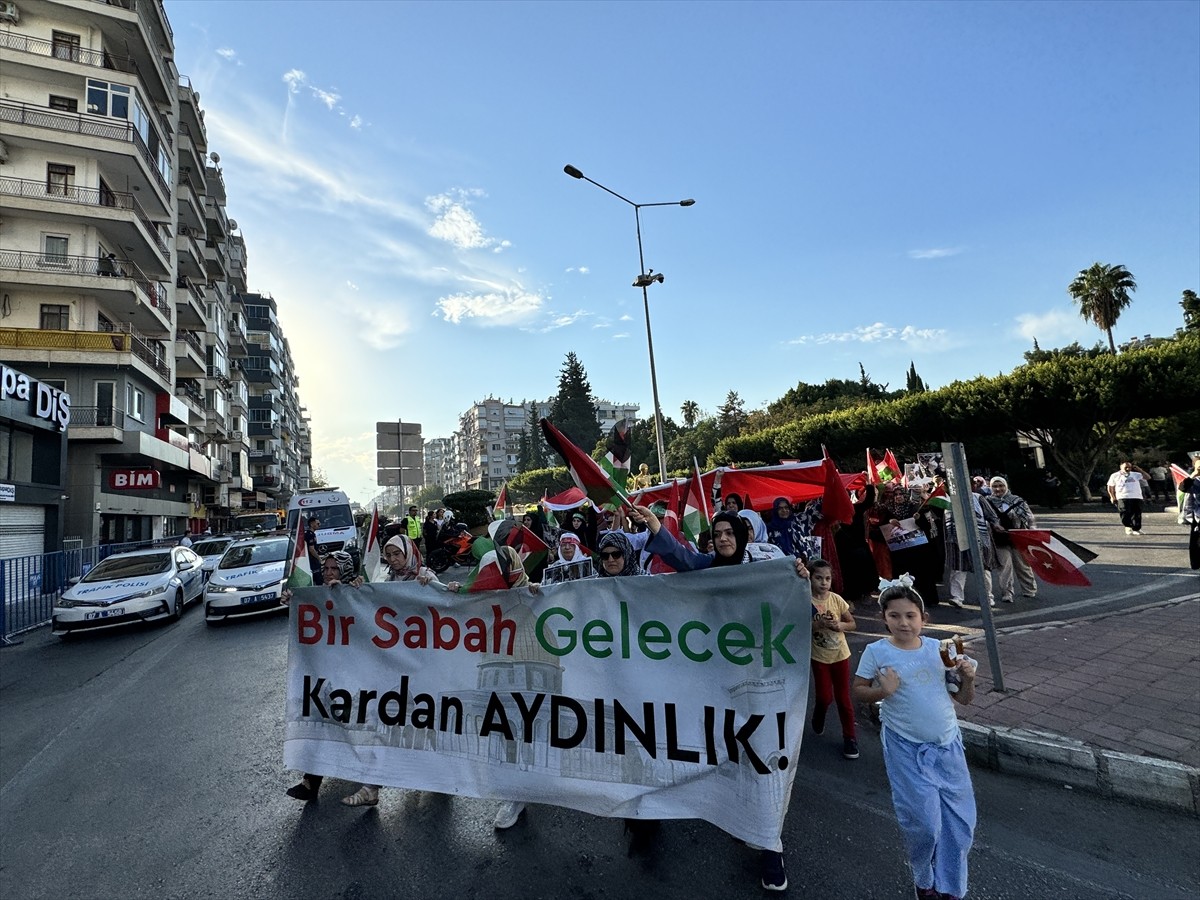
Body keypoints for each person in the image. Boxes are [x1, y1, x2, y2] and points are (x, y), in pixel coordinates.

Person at [631, 504, 809, 892]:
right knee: (728, 754)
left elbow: (793, 594)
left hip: (761, 684)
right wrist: (656, 525)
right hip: (717, 684)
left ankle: (770, 849)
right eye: (718, 533)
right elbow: (678, 555)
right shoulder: (706, 569)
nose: (724, 538)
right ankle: (740, 820)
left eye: (731, 532)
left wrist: (799, 576)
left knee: (763, 761)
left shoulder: (764, 569)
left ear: (742, 537)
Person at [852, 579, 978, 900]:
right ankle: (924, 878)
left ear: (924, 618)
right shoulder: (876, 651)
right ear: (884, 618)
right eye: (895, 616)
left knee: (960, 827)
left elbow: (963, 698)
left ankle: (949, 885)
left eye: (910, 615)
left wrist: (968, 678)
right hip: (905, 747)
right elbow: (859, 690)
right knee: (924, 825)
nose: (903, 623)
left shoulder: (940, 651)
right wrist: (883, 691)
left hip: (947, 745)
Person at [286, 551, 362, 802]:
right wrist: (294, 600)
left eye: (335, 569)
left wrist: (349, 592)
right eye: (326, 568)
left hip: (354, 675)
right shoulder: (316, 596)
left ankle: (368, 781)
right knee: (319, 723)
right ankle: (311, 781)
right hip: (325, 675)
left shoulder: (357, 591)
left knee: (355, 728)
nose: (329, 573)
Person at [807, 558, 859, 760]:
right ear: (810, 578)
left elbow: (852, 623)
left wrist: (840, 626)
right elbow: (799, 626)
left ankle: (850, 737)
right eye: (818, 578)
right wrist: (818, 625)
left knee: (844, 699)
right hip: (819, 657)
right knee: (824, 697)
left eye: (827, 578)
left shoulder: (836, 599)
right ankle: (819, 714)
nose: (823, 582)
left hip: (840, 655)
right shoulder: (805, 601)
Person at [985, 477, 1037, 603]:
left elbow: (1029, 517)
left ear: (1006, 486)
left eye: (1000, 485)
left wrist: (1032, 531)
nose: (998, 489)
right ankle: (1007, 593)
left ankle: (1029, 590)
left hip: (1018, 536)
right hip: (999, 539)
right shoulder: (987, 502)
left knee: (1023, 565)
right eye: (995, 486)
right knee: (1004, 567)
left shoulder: (1017, 500)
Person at [945, 492, 998, 609]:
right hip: (957, 538)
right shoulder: (947, 499)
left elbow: (992, 515)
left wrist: (996, 524)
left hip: (979, 537)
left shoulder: (977, 497)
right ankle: (957, 598)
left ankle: (987, 597)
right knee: (958, 568)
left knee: (983, 568)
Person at [1107, 461, 1150, 536]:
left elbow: (1148, 477)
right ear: (1121, 467)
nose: (1127, 469)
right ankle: (1128, 526)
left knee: (1137, 513)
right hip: (1122, 496)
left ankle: (1136, 529)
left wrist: (1140, 470)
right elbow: (1110, 487)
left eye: (1129, 467)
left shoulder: (1136, 474)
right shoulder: (1115, 475)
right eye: (1125, 467)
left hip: (1136, 496)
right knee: (1125, 512)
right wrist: (1112, 497)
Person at [1180, 457, 1200, 570]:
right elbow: (1182, 488)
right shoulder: (1194, 481)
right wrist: (1195, 474)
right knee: (1197, 544)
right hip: (1198, 516)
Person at [304, 515, 323, 584]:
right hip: (312, 560)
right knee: (318, 578)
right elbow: (311, 549)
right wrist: (319, 559)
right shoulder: (310, 535)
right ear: (312, 524)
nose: (319, 525)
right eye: (317, 524)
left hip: (311, 560)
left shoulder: (310, 534)